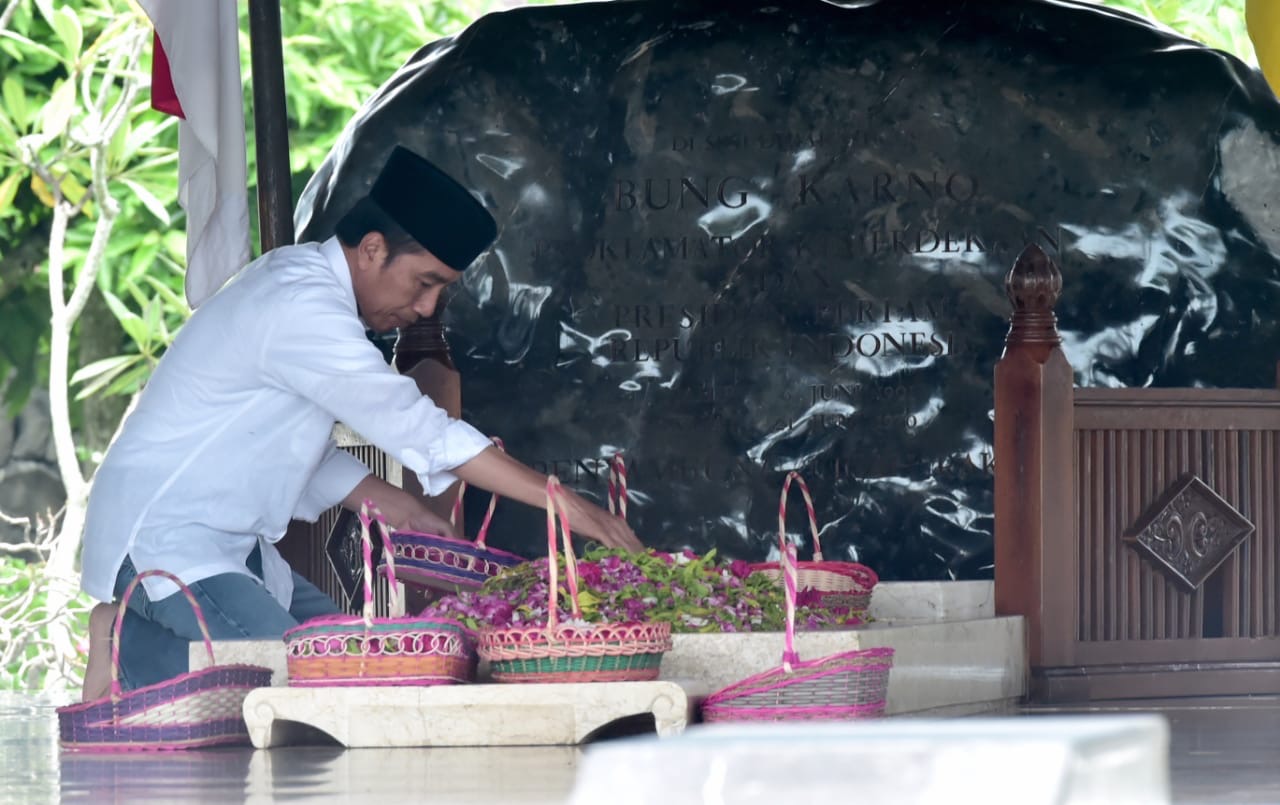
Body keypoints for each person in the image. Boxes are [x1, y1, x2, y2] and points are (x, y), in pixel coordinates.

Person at [79, 146, 642, 700]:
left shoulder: (306, 287)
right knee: (315, 684)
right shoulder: (301, 304)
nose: (427, 307)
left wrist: (408, 511)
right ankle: (127, 643)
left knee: (365, 662)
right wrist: (567, 505)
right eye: (425, 282)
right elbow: (426, 431)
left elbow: (296, 452)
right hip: (169, 539)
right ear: (372, 249)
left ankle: (146, 642)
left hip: (234, 546)